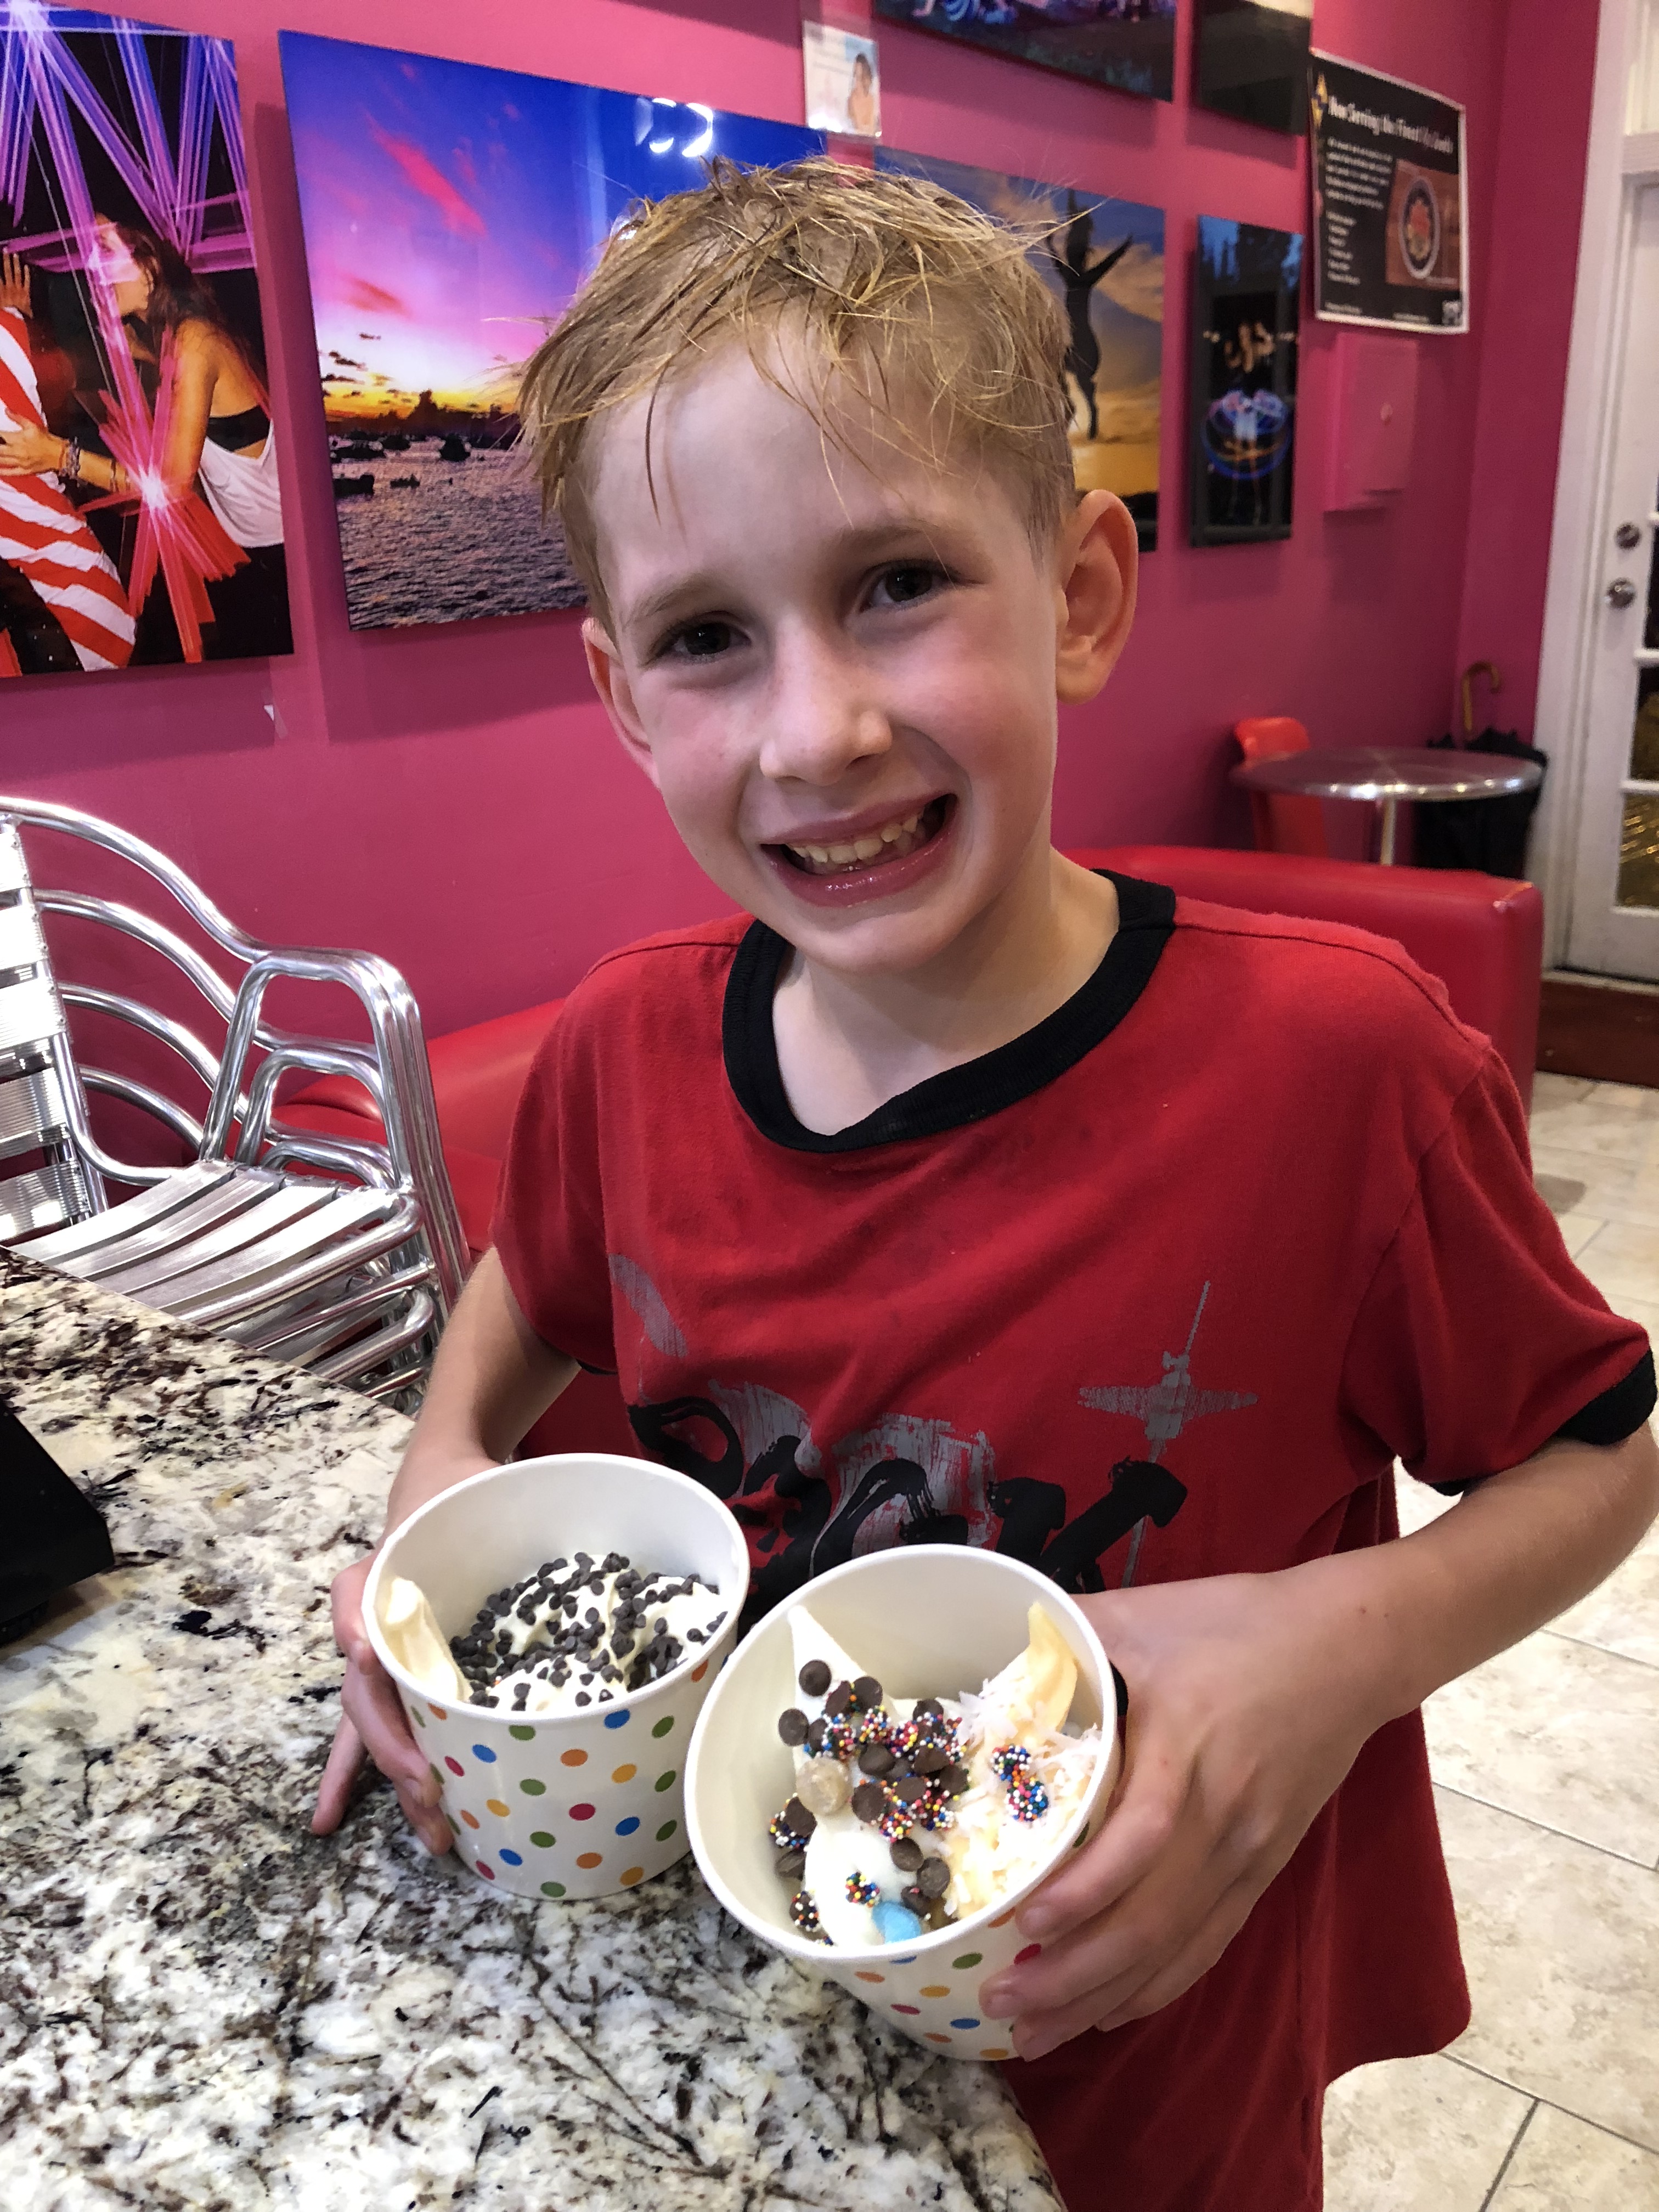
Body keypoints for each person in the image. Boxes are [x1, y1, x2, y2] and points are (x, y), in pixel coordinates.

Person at [309, 161, 1658, 2212]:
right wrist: (442, 1460)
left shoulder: (1341, 1070)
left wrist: (1342, 1641)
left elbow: (1600, 1451)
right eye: (705, 636)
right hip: (755, 2042)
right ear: (619, 697)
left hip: (1148, 2046)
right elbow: (534, 1278)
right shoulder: (623, 1046)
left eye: (895, 584)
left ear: (1082, 593)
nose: (817, 730)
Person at [0, 219, 291, 659]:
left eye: (108, 255)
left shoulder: (196, 342)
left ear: (151, 266)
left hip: (280, 553)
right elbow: (80, 371)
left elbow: (170, 486)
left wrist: (60, 455)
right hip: (252, 546)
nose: (95, 270)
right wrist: (24, 322)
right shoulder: (171, 339)